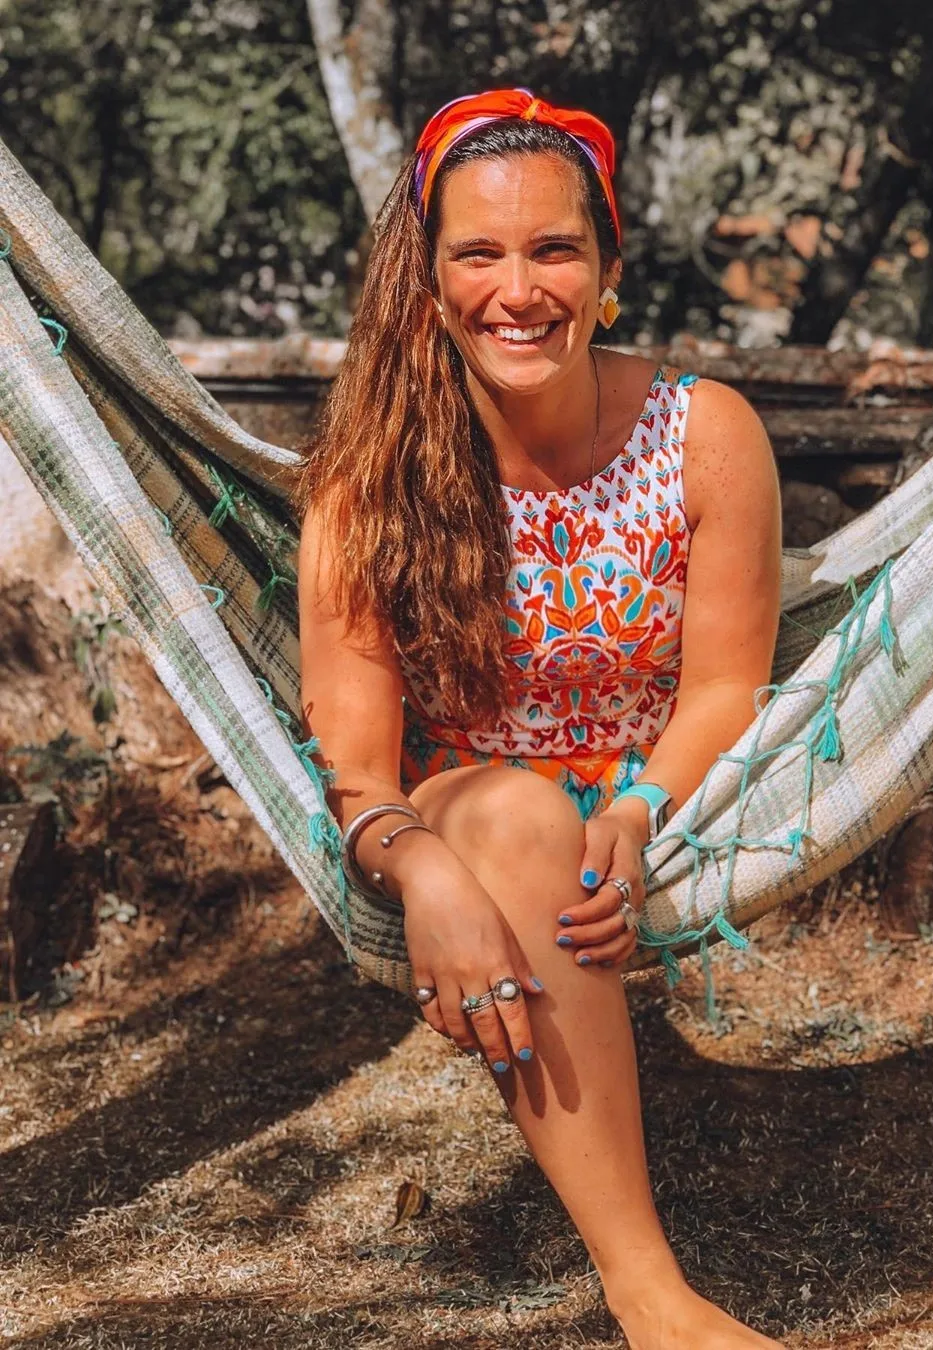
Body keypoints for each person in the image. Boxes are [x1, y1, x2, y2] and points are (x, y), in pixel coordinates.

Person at [296, 88, 783, 1350]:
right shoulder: (372, 478)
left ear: (608, 272)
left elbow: (727, 685)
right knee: (516, 815)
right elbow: (355, 769)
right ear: (429, 282)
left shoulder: (704, 435)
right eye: (479, 254)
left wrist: (639, 807)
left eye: (555, 249)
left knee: (547, 820)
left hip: (650, 799)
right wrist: (428, 878)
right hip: (459, 808)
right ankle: (651, 1296)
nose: (519, 291)